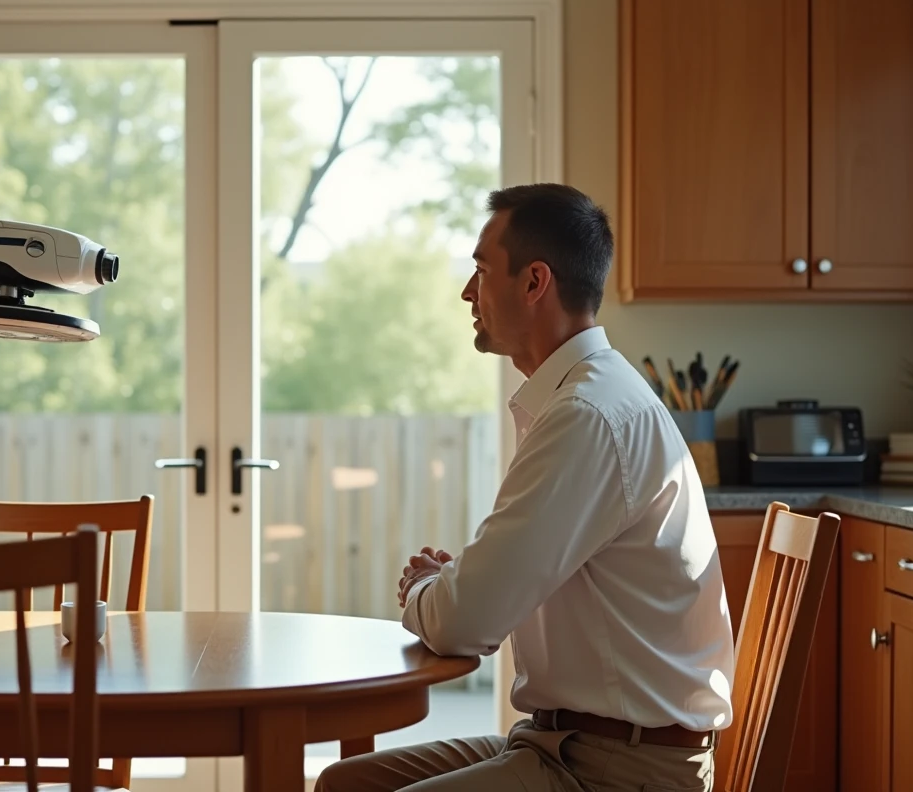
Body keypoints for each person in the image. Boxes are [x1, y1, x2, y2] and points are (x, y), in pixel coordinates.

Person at [315, 184, 735, 792]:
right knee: (345, 783)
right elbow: (500, 587)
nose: (468, 291)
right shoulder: (586, 397)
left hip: (619, 769)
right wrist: (459, 586)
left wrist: (428, 591)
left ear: (535, 281)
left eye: (482, 270)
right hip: (565, 742)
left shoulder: (587, 416)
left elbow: (465, 623)